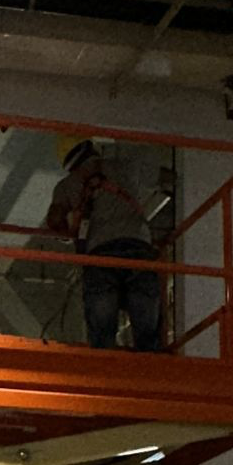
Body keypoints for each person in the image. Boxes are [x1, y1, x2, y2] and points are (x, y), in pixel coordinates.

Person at [45, 140, 161, 351]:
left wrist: (69, 232)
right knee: (145, 320)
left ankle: (103, 359)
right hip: (138, 245)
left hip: (100, 253)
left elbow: (55, 221)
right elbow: (154, 179)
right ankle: (150, 357)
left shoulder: (67, 185)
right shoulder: (123, 166)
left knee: (102, 330)